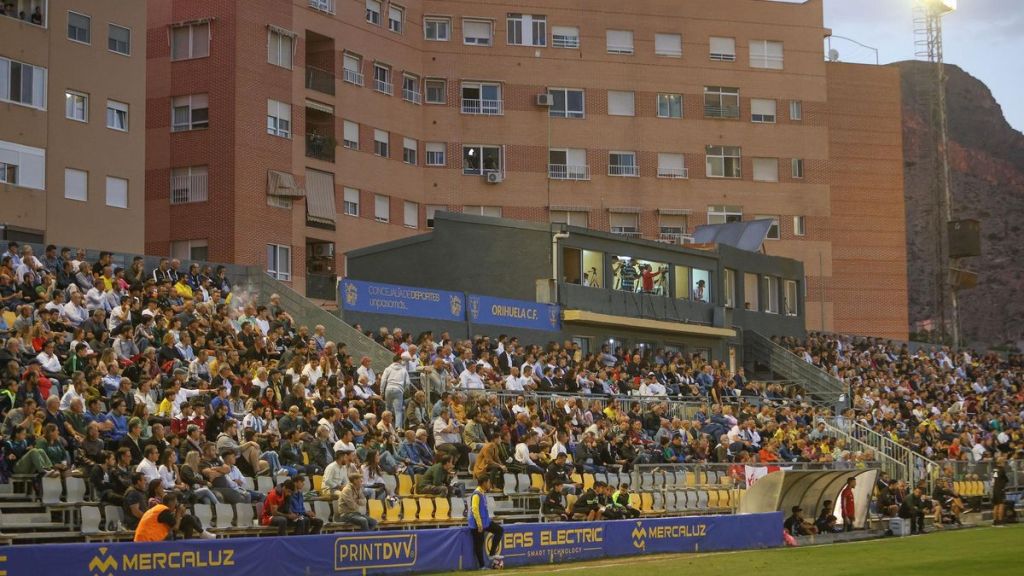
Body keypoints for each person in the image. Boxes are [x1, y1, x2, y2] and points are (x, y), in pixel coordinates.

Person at [469, 474, 503, 570]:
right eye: (488, 482)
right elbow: (474, 510)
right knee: (479, 544)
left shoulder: (482, 493)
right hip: (477, 524)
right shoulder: (476, 494)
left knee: (499, 530)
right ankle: (482, 566)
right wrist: (479, 524)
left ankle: (492, 553)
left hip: (485, 522)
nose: (489, 484)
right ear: (484, 483)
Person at [992, 455, 1009, 525]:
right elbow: (1006, 479)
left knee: (996, 505)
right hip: (1000, 489)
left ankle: (995, 521)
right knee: (1001, 504)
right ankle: (1000, 520)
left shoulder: (995, 469)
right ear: (1002, 462)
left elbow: (995, 478)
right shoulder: (1002, 470)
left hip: (995, 488)